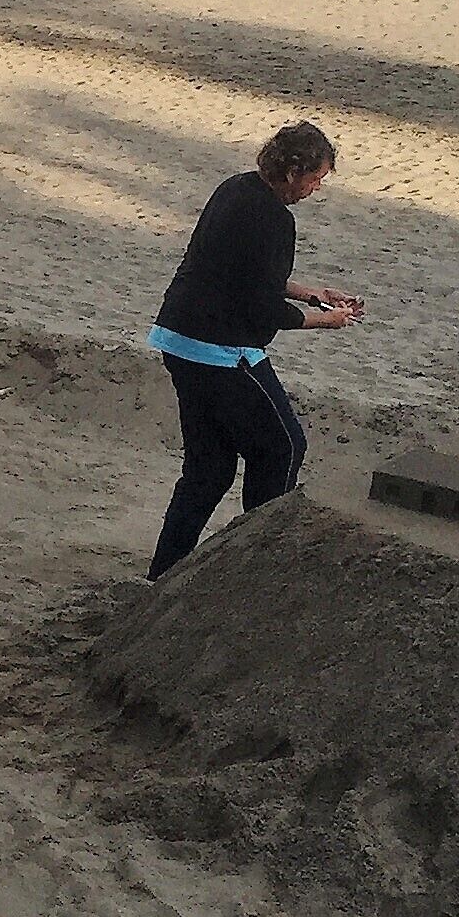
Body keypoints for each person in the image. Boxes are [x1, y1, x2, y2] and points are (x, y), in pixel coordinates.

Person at [146, 121, 361, 577]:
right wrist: (329, 319)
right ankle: (257, 572)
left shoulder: (234, 189)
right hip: (219, 351)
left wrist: (311, 293)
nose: (316, 188)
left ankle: (164, 574)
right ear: (292, 171)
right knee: (282, 448)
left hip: (178, 338)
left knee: (208, 471)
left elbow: (241, 272)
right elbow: (264, 309)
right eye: (315, 178)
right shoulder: (275, 220)